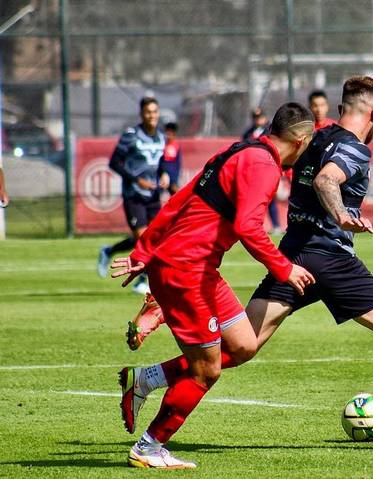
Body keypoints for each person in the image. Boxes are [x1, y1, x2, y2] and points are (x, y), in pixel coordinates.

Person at [120, 76, 373, 449]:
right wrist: (341, 215)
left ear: (340, 108)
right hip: (331, 259)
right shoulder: (355, 148)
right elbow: (327, 181)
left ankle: (147, 377)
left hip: (292, 254)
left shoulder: (312, 137)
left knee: (241, 346)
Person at [112, 102, 316, 469]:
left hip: (200, 268)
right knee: (207, 370)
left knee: (242, 344)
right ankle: (149, 446)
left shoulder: (241, 150)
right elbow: (248, 228)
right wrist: (285, 269)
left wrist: (145, 248)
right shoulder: (264, 166)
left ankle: (145, 379)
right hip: (185, 269)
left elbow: (181, 200)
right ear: (300, 140)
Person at [97, 97, 168, 295]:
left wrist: (164, 174)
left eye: (154, 111)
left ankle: (109, 251)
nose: (151, 115)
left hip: (153, 196)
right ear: (141, 114)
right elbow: (114, 162)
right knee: (143, 237)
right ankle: (142, 281)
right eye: (148, 112)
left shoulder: (161, 137)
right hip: (134, 195)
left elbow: (161, 164)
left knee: (155, 239)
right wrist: (137, 180)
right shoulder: (131, 136)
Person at [243, 107, 282, 233]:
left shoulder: (270, 130)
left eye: (259, 117)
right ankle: (254, 225)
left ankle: (276, 225)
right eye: (255, 118)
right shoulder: (248, 133)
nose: (258, 120)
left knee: (269, 198)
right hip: (252, 169)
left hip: (267, 167)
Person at [161, 122, 182, 195]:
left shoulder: (176, 146)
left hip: (172, 178)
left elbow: (177, 164)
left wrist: (174, 181)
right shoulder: (162, 145)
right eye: (167, 132)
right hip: (162, 176)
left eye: (171, 132)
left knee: (175, 197)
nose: (168, 135)